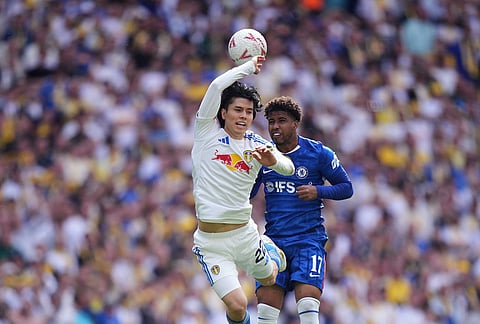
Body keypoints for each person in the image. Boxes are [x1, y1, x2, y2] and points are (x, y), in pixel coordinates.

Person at [191, 56, 295, 324]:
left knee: (270, 277)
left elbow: (289, 167)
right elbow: (215, 88)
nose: (244, 116)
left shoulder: (256, 144)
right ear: (223, 113)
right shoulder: (207, 134)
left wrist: (273, 162)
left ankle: (270, 250)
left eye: (249, 112)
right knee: (238, 306)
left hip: (244, 234)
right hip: (212, 243)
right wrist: (248, 68)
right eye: (238, 110)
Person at [250, 96, 354, 324]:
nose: (275, 127)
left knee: (307, 304)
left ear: (296, 123)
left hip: (308, 240)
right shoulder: (263, 157)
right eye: (271, 121)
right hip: (274, 242)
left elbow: (346, 188)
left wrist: (318, 191)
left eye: (282, 120)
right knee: (265, 312)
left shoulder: (319, 153)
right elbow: (248, 195)